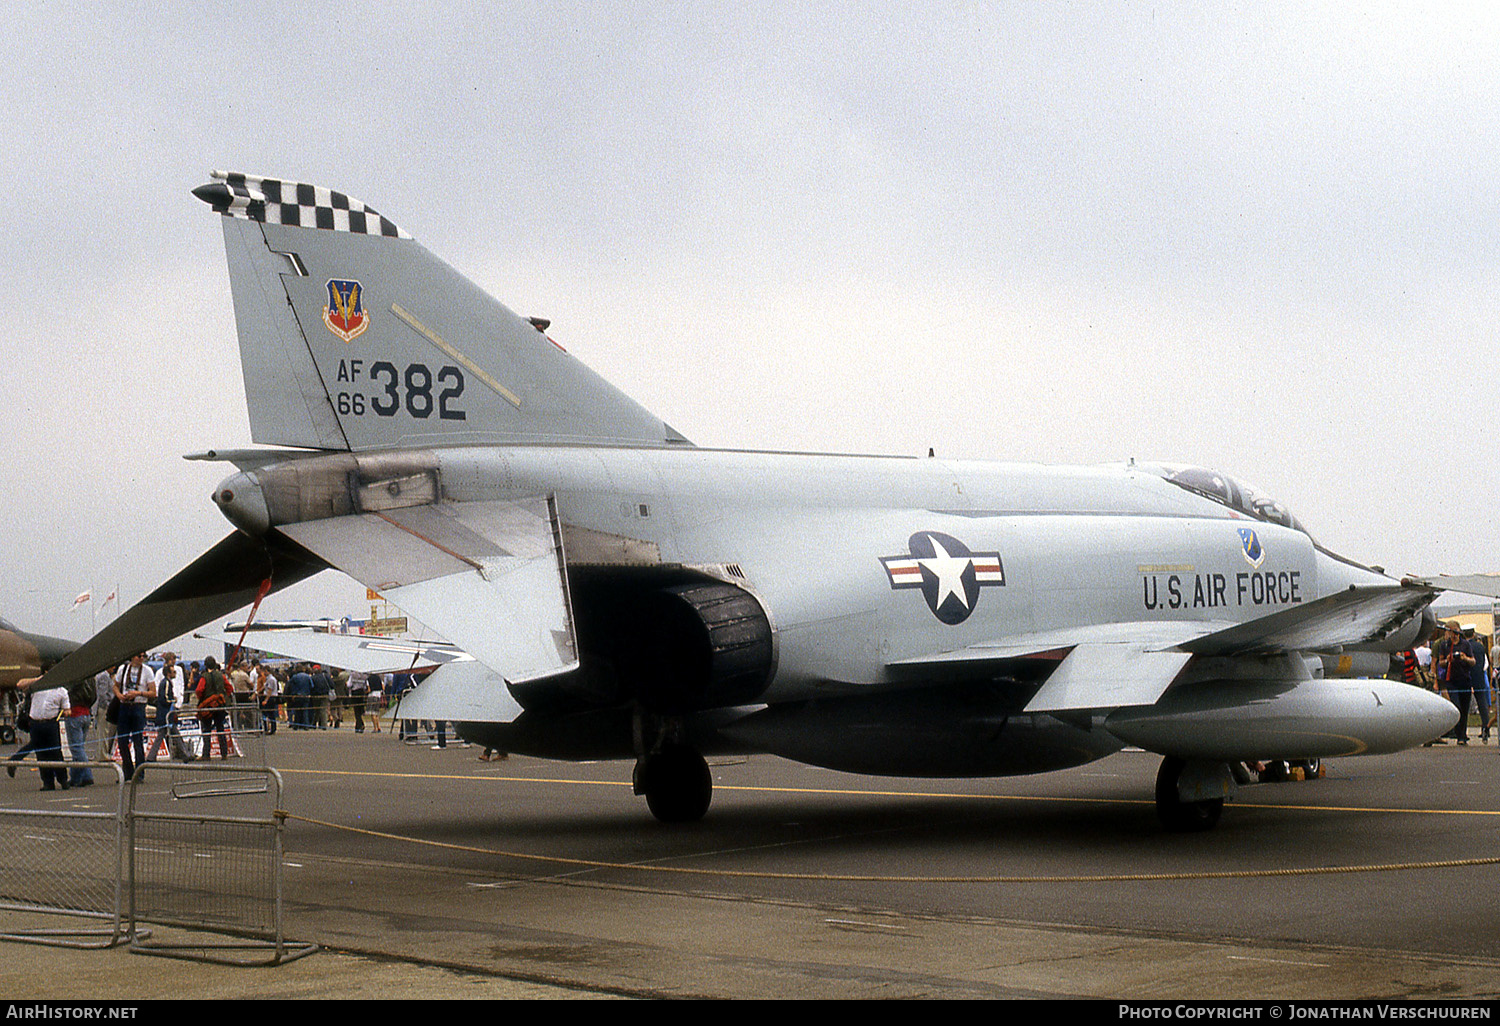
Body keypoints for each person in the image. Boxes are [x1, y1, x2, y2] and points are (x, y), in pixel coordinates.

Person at [113, 653, 156, 782]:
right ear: (132, 657)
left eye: (143, 656)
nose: (141, 658)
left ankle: (139, 773)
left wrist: (138, 693)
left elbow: (153, 692)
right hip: (125, 706)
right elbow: (115, 685)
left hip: (138, 706)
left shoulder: (147, 671)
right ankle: (127, 772)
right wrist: (119, 695)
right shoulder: (123, 669)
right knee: (122, 741)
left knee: (138, 741)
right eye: (139, 656)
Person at [196, 656, 233, 759]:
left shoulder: (204, 677)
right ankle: (224, 753)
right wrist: (225, 697)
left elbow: (199, 690)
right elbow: (229, 687)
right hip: (219, 704)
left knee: (206, 730)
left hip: (208, 706)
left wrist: (202, 699)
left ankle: (206, 754)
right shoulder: (221, 676)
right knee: (220, 728)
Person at [64, 671, 97, 787]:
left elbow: (66, 693)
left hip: (74, 714)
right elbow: (94, 696)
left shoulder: (71, 677)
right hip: (86, 713)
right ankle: (75, 777)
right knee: (79, 747)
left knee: (76, 748)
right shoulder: (90, 677)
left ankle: (87, 776)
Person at [253, 660, 280, 735]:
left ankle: (272, 729)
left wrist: (266, 700)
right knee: (267, 713)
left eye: (264, 671)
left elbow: (269, 690)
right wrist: (256, 693)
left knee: (270, 714)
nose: (263, 673)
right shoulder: (268, 679)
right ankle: (267, 728)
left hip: (271, 698)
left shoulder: (271, 679)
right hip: (269, 697)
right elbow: (264, 687)